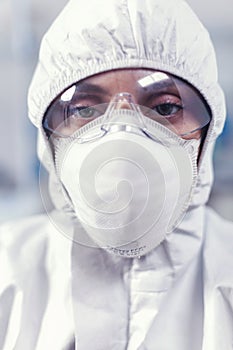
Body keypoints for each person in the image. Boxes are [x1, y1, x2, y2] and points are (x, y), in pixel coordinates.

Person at [0, 0, 233, 349]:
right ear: (47, 139)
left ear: (208, 132)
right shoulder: (8, 273)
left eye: (166, 107)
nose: (124, 138)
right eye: (84, 109)